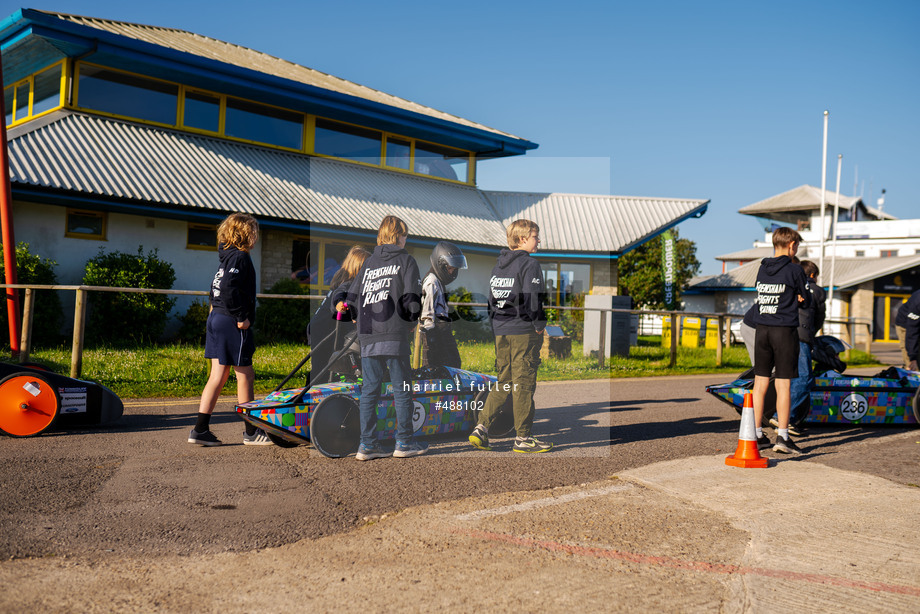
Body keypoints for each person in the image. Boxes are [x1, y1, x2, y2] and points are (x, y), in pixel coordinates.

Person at [334, 216, 424, 460]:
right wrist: (411, 324)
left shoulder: (370, 263)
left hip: (369, 335)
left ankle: (367, 445)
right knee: (402, 389)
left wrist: (354, 315)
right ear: (397, 236)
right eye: (404, 235)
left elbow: (351, 297)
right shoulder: (406, 260)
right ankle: (404, 443)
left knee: (370, 391)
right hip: (394, 333)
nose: (406, 239)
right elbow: (411, 300)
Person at [469, 219, 552, 453]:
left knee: (504, 382)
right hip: (522, 331)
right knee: (523, 384)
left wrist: (497, 328)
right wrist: (539, 325)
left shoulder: (498, 267)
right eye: (536, 237)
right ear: (523, 239)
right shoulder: (529, 264)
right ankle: (523, 438)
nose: (539, 241)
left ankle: (481, 428)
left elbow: (491, 301)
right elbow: (532, 298)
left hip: (501, 332)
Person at [189, 213, 272, 446]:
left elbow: (215, 288)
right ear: (247, 234)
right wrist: (241, 316)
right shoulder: (240, 257)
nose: (256, 236)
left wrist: (216, 311)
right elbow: (228, 287)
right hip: (230, 321)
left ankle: (200, 429)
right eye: (254, 231)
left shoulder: (225, 258)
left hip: (217, 317)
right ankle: (251, 432)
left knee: (218, 375)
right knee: (245, 374)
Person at [750, 226, 811, 455]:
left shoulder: (762, 268)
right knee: (783, 383)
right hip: (783, 331)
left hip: (762, 329)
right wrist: (798, 297)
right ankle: (783, 437)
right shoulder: (795, 270)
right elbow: (806, 302)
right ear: (792, 245)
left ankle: (756, 434)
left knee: (760, 382)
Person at [306, 246, 370, 387]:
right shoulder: (348, 284)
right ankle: (312, 397)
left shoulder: (345, 281)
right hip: (324, 330)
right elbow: (338, 297)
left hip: (321, 327)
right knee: (321, 368)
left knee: (324, 366)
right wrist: (339, 303)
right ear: (359, 268)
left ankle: (316, 392)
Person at [774, 260, 826, 434]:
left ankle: (787, 419)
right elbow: (819, 317)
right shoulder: (817, 290)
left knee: (788, 378)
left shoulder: (789, 285)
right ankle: (783, 417)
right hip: (801, 338)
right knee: (805, 378)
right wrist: (811, 335)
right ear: (812, 275)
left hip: (782, 335)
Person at [420, 241, 467, 369]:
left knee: (453, 365)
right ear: (440, 264)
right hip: (434, 333)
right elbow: (426, 313)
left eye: (454, 269)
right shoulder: (431, 281)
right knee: (435, 369)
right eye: (450, 268)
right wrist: (430, 339)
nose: (452, 272)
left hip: (443, 330)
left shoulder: (439, 282)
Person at [895, 289, 920, 372]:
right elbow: (912, 331)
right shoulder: (917, 302)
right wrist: (912, 357)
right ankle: (913, 375)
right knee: (913, 364)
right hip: (906, 325)